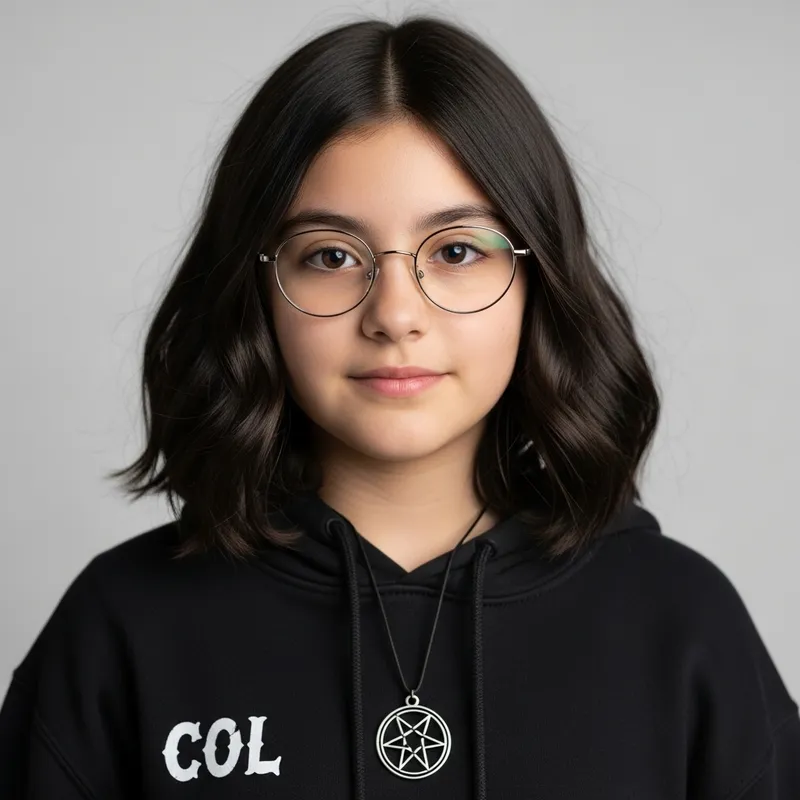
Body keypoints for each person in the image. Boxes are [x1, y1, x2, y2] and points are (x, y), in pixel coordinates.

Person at [1, 13, 797, 800]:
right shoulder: (123, 625)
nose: (395, 313)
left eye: (455, 251)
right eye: (331, 257)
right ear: (258, 292)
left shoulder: (680, 622)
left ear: (537, 279)